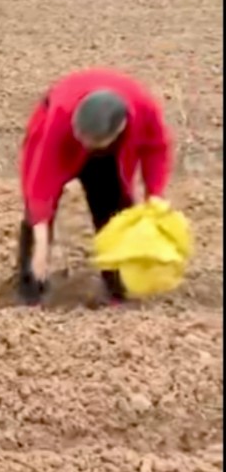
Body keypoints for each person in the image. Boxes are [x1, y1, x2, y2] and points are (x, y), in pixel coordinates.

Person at [17, 69, 173, 307]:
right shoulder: (62, 117)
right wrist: (40, 245)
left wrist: (155, 196)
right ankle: (31, 289)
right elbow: (40, 182)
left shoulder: (144, 110)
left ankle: (118, 285)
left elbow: (156, 149)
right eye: (82, 138)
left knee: (114, 212)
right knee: (36, 221)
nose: (86, 146)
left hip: (108, 154)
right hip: (60, 137)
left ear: (119, 129)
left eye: (91, 143)